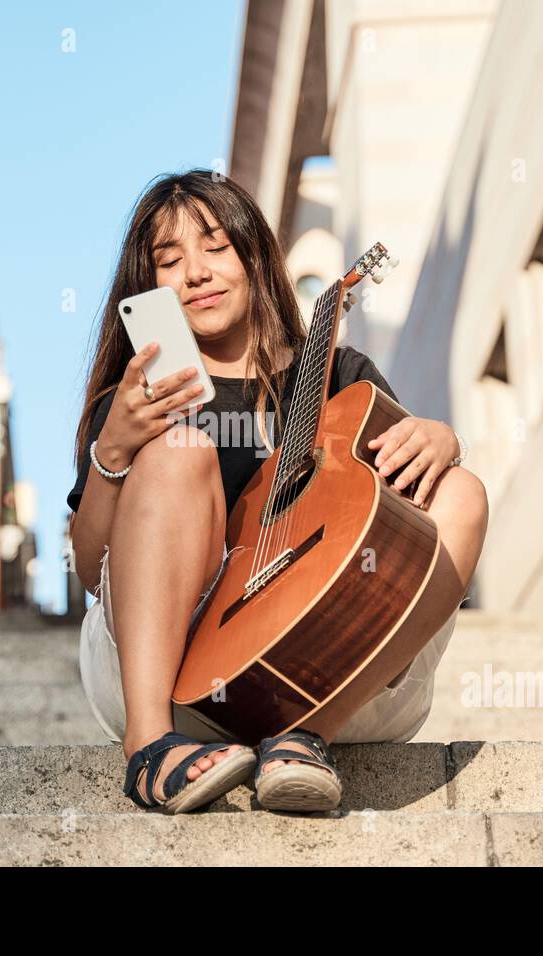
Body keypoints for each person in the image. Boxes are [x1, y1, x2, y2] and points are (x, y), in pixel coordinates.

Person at [66, 169, 489, 814]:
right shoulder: (140, 398)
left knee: (461, 494)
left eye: (215, 246)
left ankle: (300, 738)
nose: (197, 272)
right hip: (181, 689)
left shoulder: (340, 376)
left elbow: (397, 512)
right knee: (180, 451)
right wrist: (113, 451)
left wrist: (439, 439)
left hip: (340, 680)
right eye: (169, 259)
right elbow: (93, 574)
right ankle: (146, 748)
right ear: (147, 286)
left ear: (255, 253)